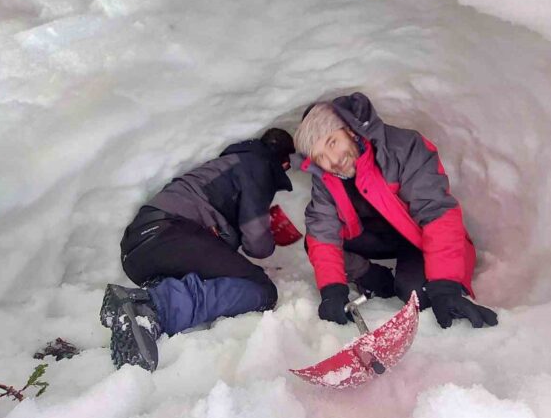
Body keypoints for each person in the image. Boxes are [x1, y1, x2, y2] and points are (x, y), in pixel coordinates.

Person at [293, 92, 497, 329]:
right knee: (315, 240)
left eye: (332, 143)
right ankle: (372, 276)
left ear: (349, 130)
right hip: (378, 237)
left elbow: (437, 215)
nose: (333, 160)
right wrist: (332, 290)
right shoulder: (327, 178)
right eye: (321, 157)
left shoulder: (404, 148)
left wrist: (445, 285)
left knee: (418, 295)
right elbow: (323, 233)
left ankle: (415, 273)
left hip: (419, 236)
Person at [100, 128, 295, 371]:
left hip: (137, 252)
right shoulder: (257, 164)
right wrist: (269, 237)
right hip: (169, 231)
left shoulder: (229, 164)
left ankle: (155, 295)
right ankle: (150, 308)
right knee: (262, 290)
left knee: (212, 279)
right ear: (283, 162)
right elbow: (257, 241)